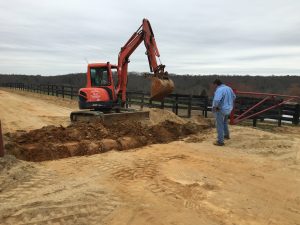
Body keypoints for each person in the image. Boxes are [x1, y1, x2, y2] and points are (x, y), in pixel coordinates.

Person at [212, 79, 236, 146]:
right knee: (225, 122)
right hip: (228, 109)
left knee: (219, 124)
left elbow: (216, 100)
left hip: (221, 109)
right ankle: (226, 135)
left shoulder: (219, 90)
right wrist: (228, 104)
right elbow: (234, 97)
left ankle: (220, 141)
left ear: (216, 84)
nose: (214, 87)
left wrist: (215, 107)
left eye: (214, 85)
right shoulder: (229, 88)